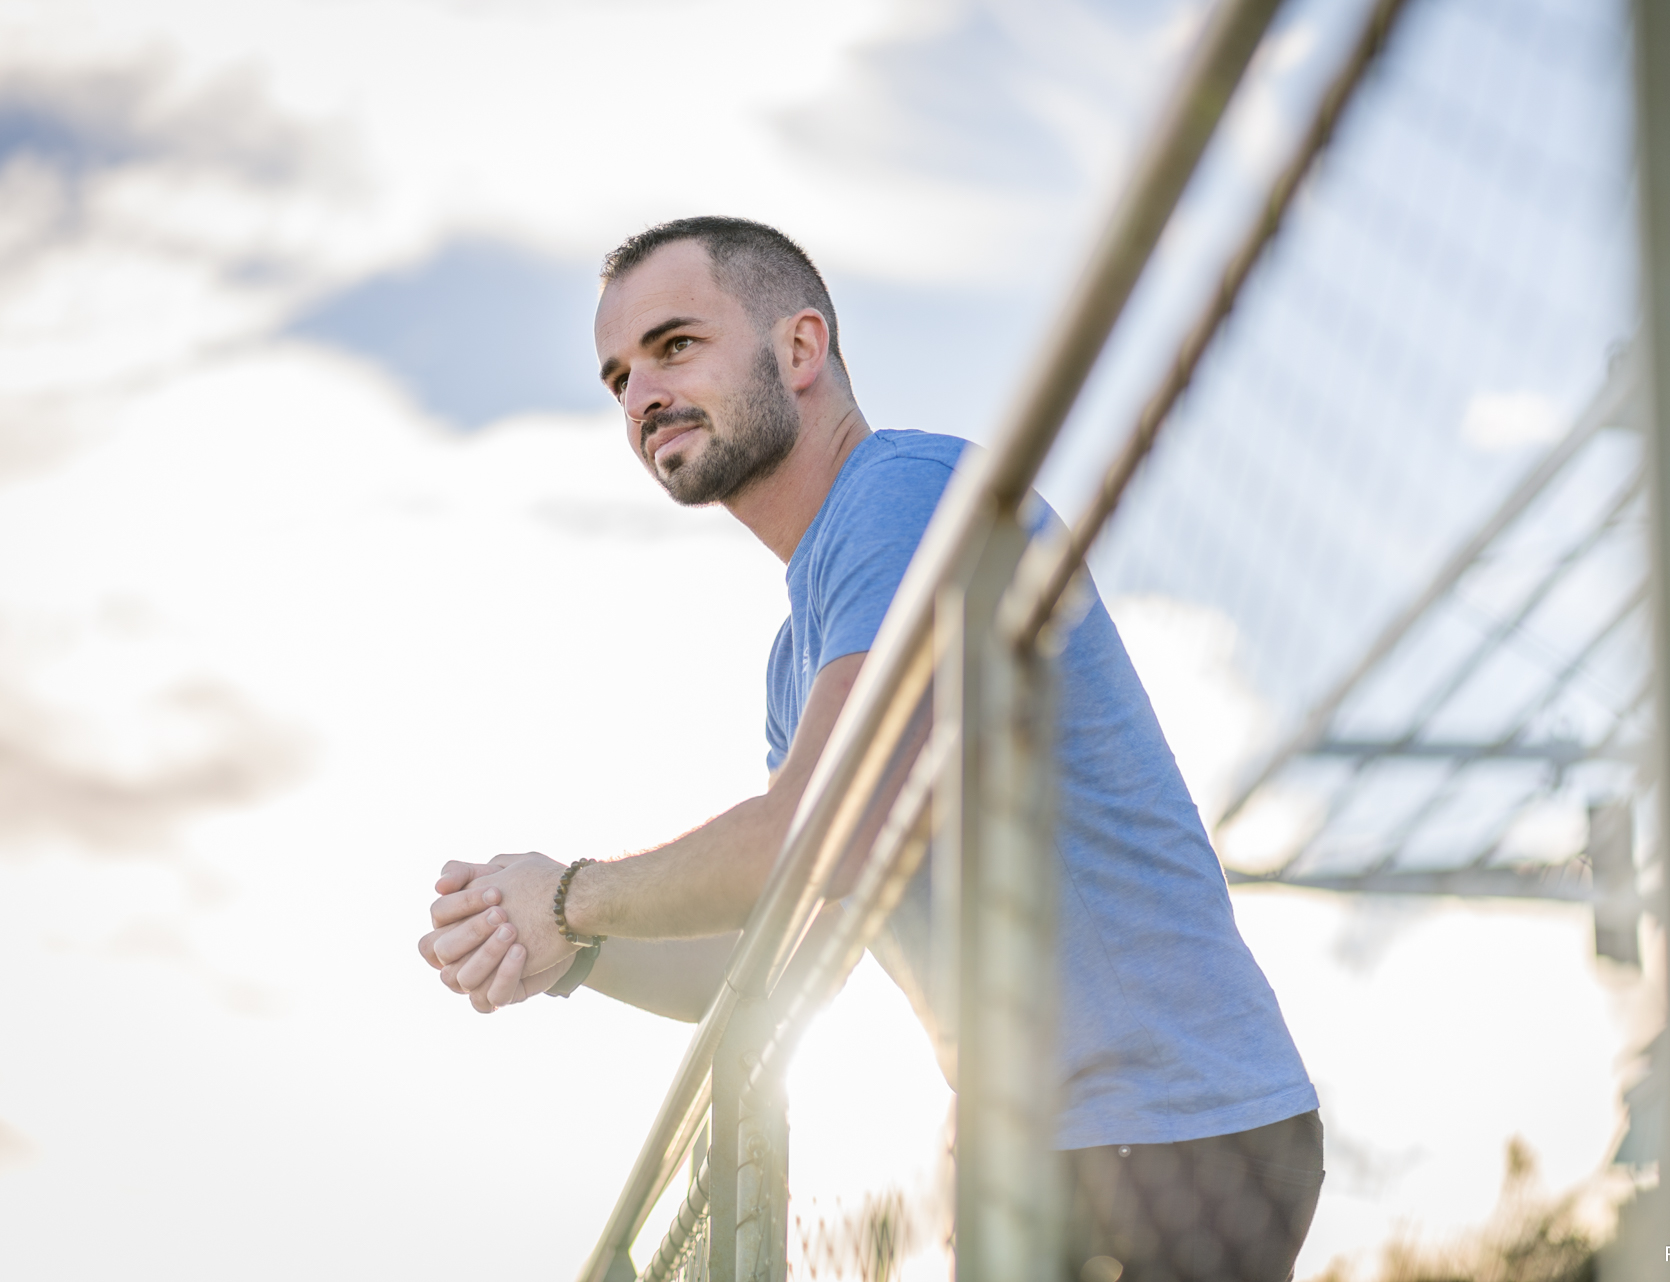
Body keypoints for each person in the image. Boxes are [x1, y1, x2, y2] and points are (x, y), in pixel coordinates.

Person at [417, 216, 1322, 1280]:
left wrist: (570, 895)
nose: (641, 394)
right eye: (617, 376)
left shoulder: (906, 493)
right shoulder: (797, 659)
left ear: (800, 350)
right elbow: (775, 945)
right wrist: (579, 951)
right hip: (1055, 1155)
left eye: (674, 346)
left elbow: (809, 833)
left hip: (1162, 1136)